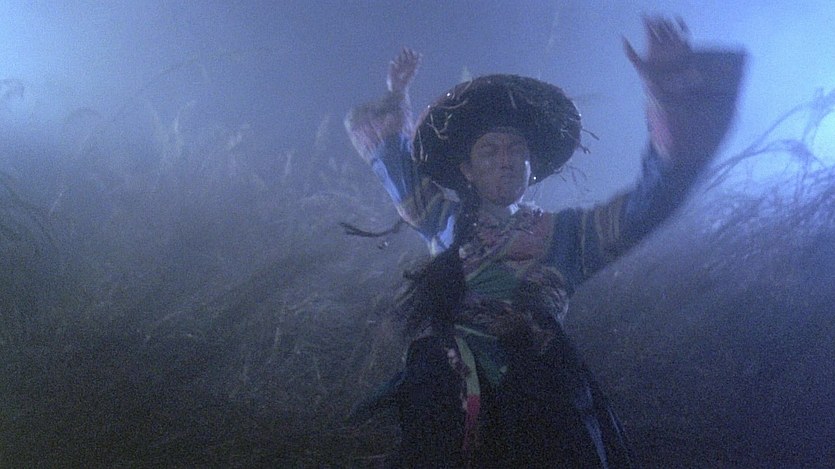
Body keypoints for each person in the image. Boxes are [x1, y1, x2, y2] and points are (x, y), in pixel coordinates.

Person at [344, 17, 744, 468]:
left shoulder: (570, 236)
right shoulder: (443, 221)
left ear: (532, 167)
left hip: (542, 397)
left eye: (516, 149)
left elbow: (651, 202)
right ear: (467, 170)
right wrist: (396, 95)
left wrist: (667, 88)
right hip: (450, 393)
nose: (505, 160)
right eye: (489, 150)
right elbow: (395, 164)